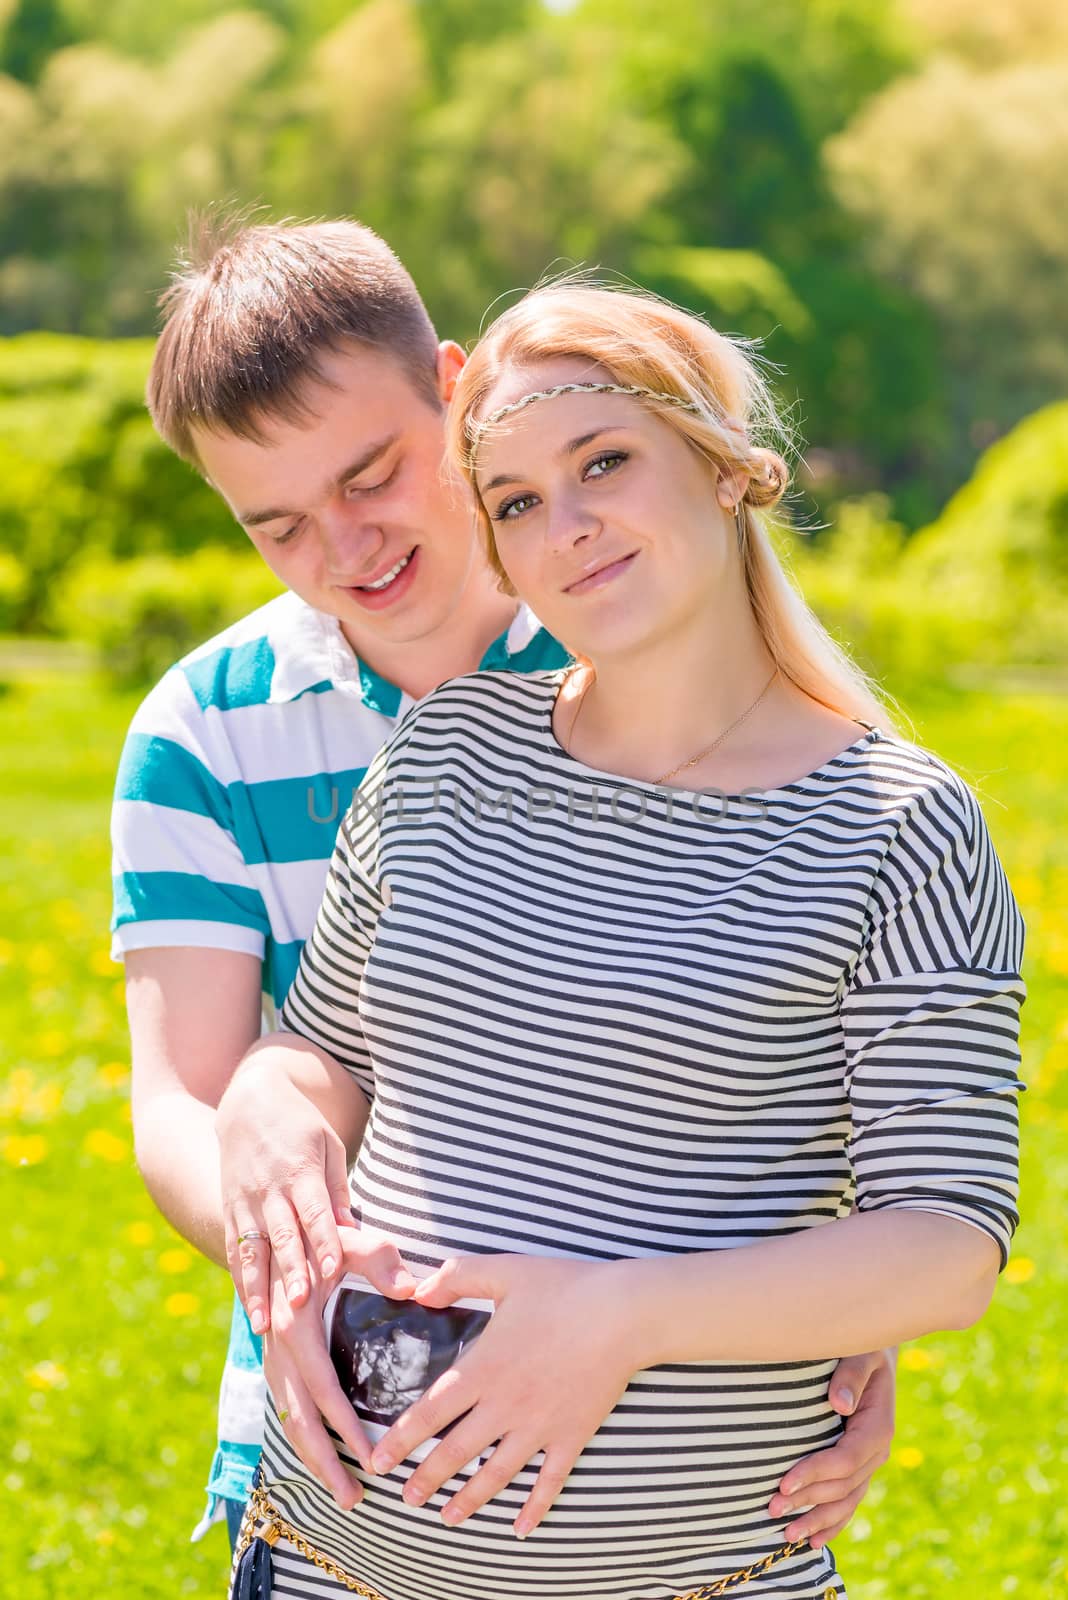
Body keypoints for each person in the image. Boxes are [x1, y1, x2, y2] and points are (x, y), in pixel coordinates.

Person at [220, 281, 1025, 1600]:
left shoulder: (898, 826)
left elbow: (944, 1243)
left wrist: (617, 1322)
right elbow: (321, 1052)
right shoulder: (443, 753)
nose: (569, 525)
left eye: (606, 463)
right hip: (321, 1565)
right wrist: (269, 1103)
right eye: (520, 500)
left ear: (721, 469)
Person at [112, 218, 895, 1551]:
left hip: (675, 1463)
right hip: (348, 1452)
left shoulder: (660, 663)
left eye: (375, 475)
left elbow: (794, 1067)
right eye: (280, 526)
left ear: (461, 391)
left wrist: (848, 1326)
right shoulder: (203, 733)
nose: (349, 549)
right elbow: (182, 1100)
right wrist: (282, 1227)